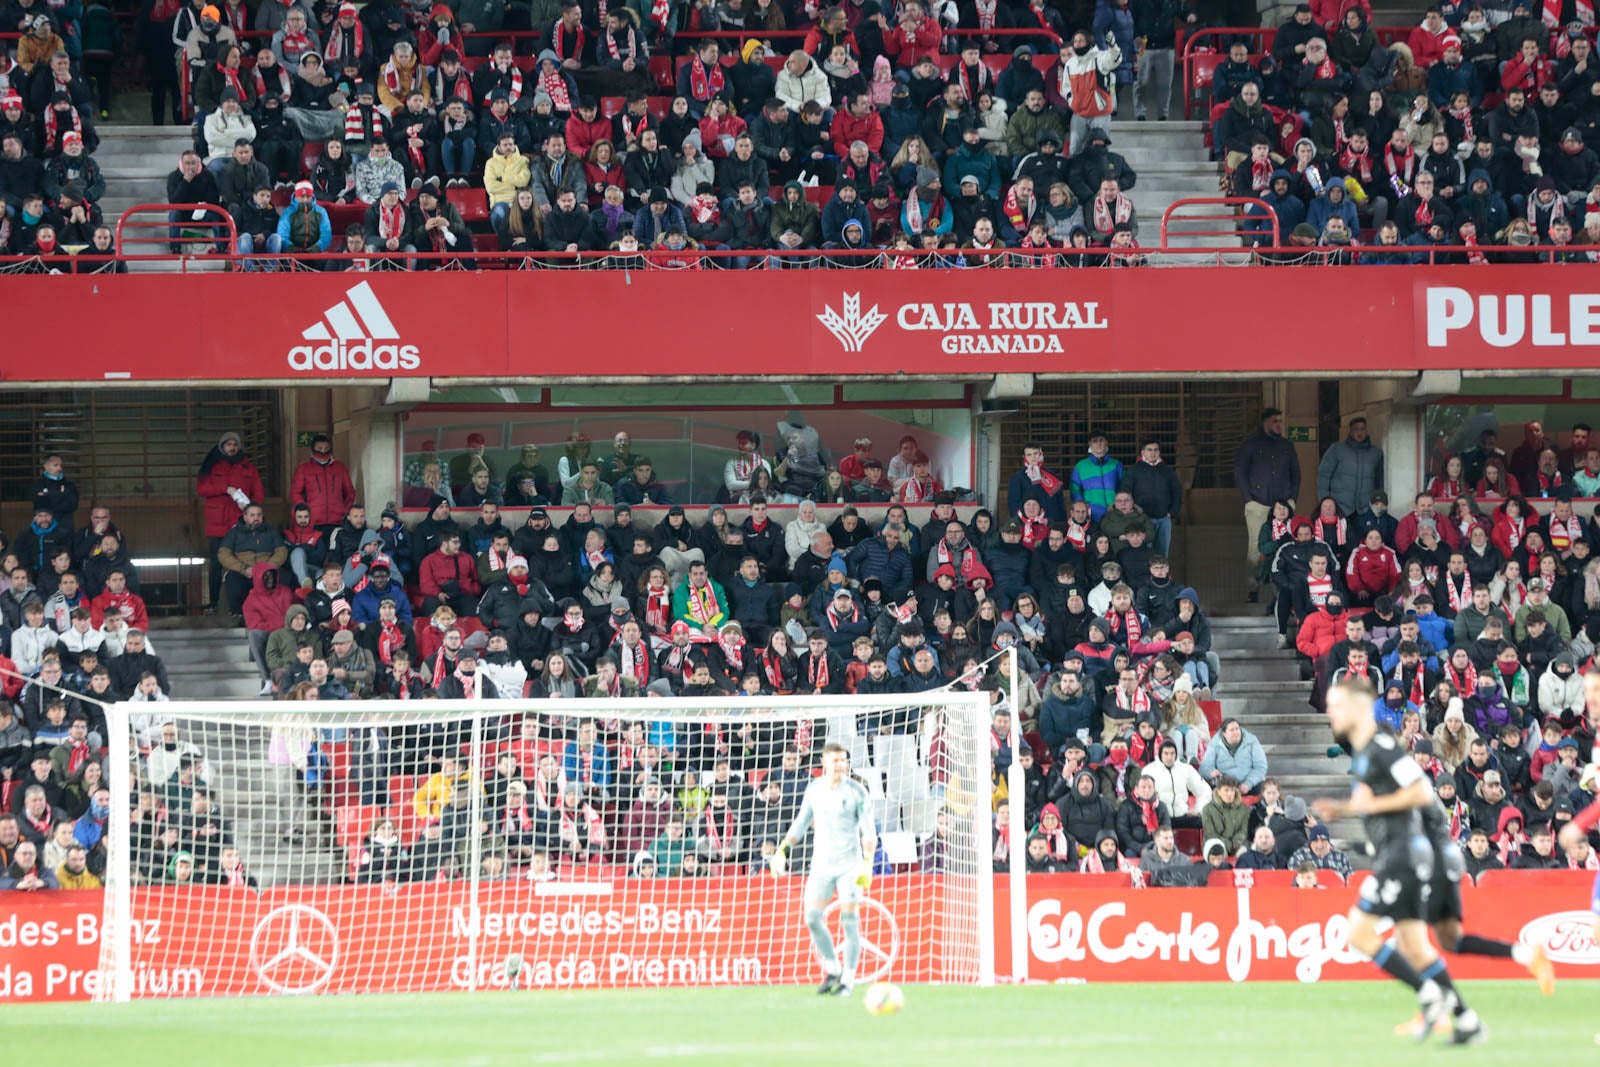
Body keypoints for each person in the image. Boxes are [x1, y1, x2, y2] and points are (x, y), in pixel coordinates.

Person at [1311, 679, 1478, 1045]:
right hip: (1399, 853)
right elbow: (1381, 800)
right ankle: (1466, 1019)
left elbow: (1420, 791)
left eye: (1337, 705)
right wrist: (1342, 809)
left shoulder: (1383, 746)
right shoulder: (1366, 751)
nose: (1330, 712)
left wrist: (1371, 806)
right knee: (1414, 946)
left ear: (1357, 708)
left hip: (1402, 855)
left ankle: (1428, 994)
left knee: (1358, 933)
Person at [770, 742, 875, 997]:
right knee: (812, 918)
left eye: (844, 761)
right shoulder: (814, 790)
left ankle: (848, 981)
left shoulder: (857, 792)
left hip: (850, 866)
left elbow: (868, 830)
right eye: (836, 760)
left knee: (849, 920)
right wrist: (782, 849)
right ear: (824, 762)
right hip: (821, 866)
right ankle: (832, 967)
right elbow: (801, 822)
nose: (841, 765)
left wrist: (868, 862)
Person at [1235, 407, 1300, 601]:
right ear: (1264, 423)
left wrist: (1292, 499)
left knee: (1286, 544)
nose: (1279, 424)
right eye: (1274, 421)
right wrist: (1249, 498)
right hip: (1258, 503)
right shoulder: (1250, 445)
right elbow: (1240, 473)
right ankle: (1253, 588)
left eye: (1280, 421)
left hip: (1283, 504)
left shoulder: (1287, 446)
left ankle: (1282, 588)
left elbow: (1296, 474)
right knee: (1256, 547)